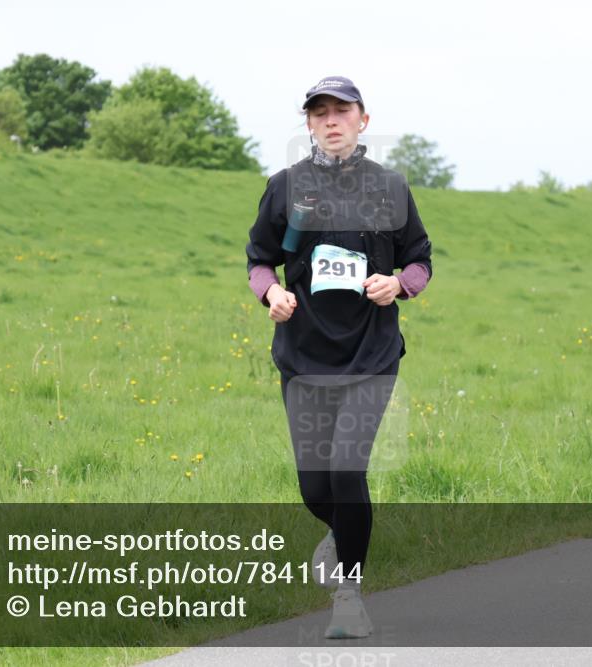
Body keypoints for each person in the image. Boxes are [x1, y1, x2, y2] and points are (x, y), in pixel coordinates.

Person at [244, 76, 433, 639]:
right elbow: (259, 260)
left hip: (371, 354)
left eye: (342, 111)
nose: (331, 120)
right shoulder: (285, 187)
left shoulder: (391, 188)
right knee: (315, 488)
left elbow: (420, 260)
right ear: (308, 124)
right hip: (304, 357)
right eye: (320, 112)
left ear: (362, 120)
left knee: (348, 470)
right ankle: (344, 531)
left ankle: (348, 595)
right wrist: (271, 294)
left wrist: (399, 285)